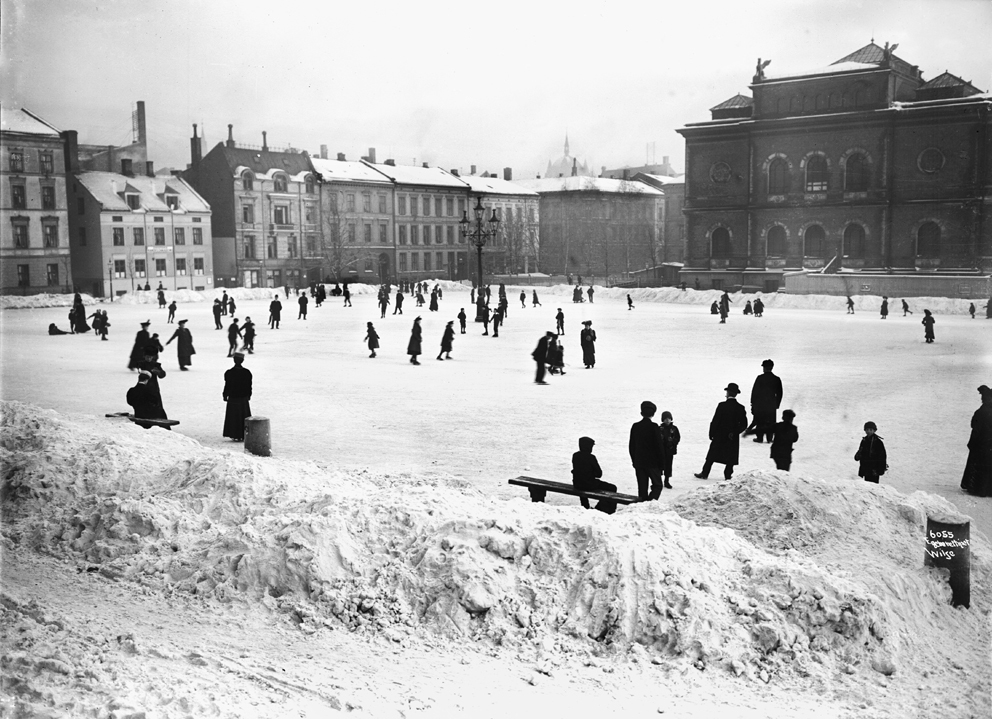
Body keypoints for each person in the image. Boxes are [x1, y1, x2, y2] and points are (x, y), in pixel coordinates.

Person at [694, 383, 748, 480]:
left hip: (720, 434)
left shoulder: (722, 405)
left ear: (727, 393)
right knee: (730, 457)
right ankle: (728, 475)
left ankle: (705, 473)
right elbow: (744, 424)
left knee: (712, 455)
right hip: (732, 437)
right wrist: (735, 432)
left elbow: (715, 421)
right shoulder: (740, 408)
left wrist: (711, 433)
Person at [572, 436, 617, 514]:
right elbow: (599, 474)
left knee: (582, 484)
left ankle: (585, 506)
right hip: (589, 484)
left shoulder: (575, 456)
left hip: (577, 484)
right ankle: (605, 510)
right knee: (612, 488)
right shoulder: (591, 457)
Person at [629, 400, 664, 501]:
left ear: (641, 413)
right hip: (653, 463)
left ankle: (642, 506)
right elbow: (659, 447)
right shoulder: (654, 427)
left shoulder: (635, 426)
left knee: (642, 489)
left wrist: (634, 461)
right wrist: (661, 465)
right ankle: (649, 504)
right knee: (657, 485)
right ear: (653, 414)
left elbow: (632, 446)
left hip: (639, 462)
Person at [961, 385, 992, 497]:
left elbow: (976, 428)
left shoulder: (982, 411)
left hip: (982, 444)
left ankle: (978, 489)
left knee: (980, 466)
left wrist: (972, 444)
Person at [744, 359, 783, 443]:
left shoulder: (760, 378)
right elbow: (780, 393)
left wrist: (753, 404)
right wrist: (776, 404)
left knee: (760, 421)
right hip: (771, 404)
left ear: (764, 368)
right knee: (771, 421)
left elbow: (754, 392)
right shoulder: (776, 379)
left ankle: (760, 438)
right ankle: (769, 438)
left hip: (760, 404)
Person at [222, 352, 252, 442]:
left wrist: (225, 394)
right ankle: (243, 434)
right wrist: (249, 395)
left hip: (233, 398)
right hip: (243, 398)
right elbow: (249, 386)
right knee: (243, 416)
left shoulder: (229, 372)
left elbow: (227, 385)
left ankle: (234, 433)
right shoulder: (247, 373)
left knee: (233, 416)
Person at [659, 411, 681, 489]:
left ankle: (666, 481)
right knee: (661, 466)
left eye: (668, 418)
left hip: (670, 451)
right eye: (665, 419)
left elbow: (677, 438)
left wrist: (672, 443)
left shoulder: (674, 429)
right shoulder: (660, 428)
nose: (667, 420)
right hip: (661, 451)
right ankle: (658, 481)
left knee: (668, 466)